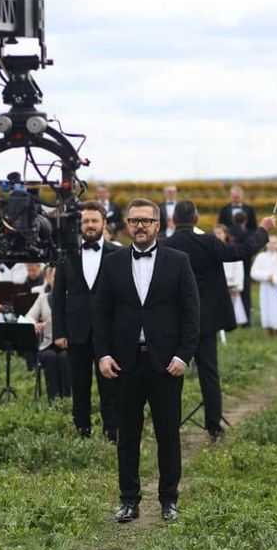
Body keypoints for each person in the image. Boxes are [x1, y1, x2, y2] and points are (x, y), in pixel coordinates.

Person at [93, 198, 199, 523]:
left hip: (166, 364)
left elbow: (191, 313)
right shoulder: (112, 263)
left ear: (158, 225)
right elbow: (100, 313)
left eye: (146, 220)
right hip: (124, 364)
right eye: (134, 220)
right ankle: (128, 500)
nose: (140, 226)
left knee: (168, 434)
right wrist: (103, 354)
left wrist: (183, 355)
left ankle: (169, 499)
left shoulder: (178, 261)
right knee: (127, 435)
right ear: (127, 225)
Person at [164, 201, 272, 440]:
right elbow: (241, 251)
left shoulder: (164, 245)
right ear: (196, 219)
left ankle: (169, 425)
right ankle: (213, 424)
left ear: (173, 220)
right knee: (209, 373)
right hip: (206, 320)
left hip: (174, 322)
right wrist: (263, 230)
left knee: (171, 375)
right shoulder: (209, 242)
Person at [51, 201, 120, 440]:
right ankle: (83, 434)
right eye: (86, 221)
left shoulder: (117, 253)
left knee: (110, 386)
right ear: (80, 225)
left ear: (104, 223)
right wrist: (59, 332)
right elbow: (57, 297)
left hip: (108, 333)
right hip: (75, 332)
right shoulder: (66, 255)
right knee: (79, 387)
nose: (90, 225)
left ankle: (112, 434)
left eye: (94, 221)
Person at [26, 267, 71, 400]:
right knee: (50, 357)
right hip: (47, 344)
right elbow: (29, 316)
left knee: (64, 357)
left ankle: (67, 396)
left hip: (68, 344)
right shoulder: (43, 298)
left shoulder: (72, 299)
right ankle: (53, 398)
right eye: (55, 276)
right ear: (48, 279)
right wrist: (34, 324)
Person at [251, 235, 277, 336]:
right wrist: (267, 277)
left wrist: (275, 279)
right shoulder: (261, 257)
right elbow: (253, 272)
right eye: (269, 243)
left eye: (274, 243)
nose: (272, 245)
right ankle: (270, 332)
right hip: (266, 288)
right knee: (267, 308)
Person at [213, 224, 249, 327]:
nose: (217, 235)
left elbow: (238, 268)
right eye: (215, 233)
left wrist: (237, 286)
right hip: (217, 283)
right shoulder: (210, 249)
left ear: (225, 234)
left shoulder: (232, 248)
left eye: (219, 233)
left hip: (231, 283)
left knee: (232, 308)